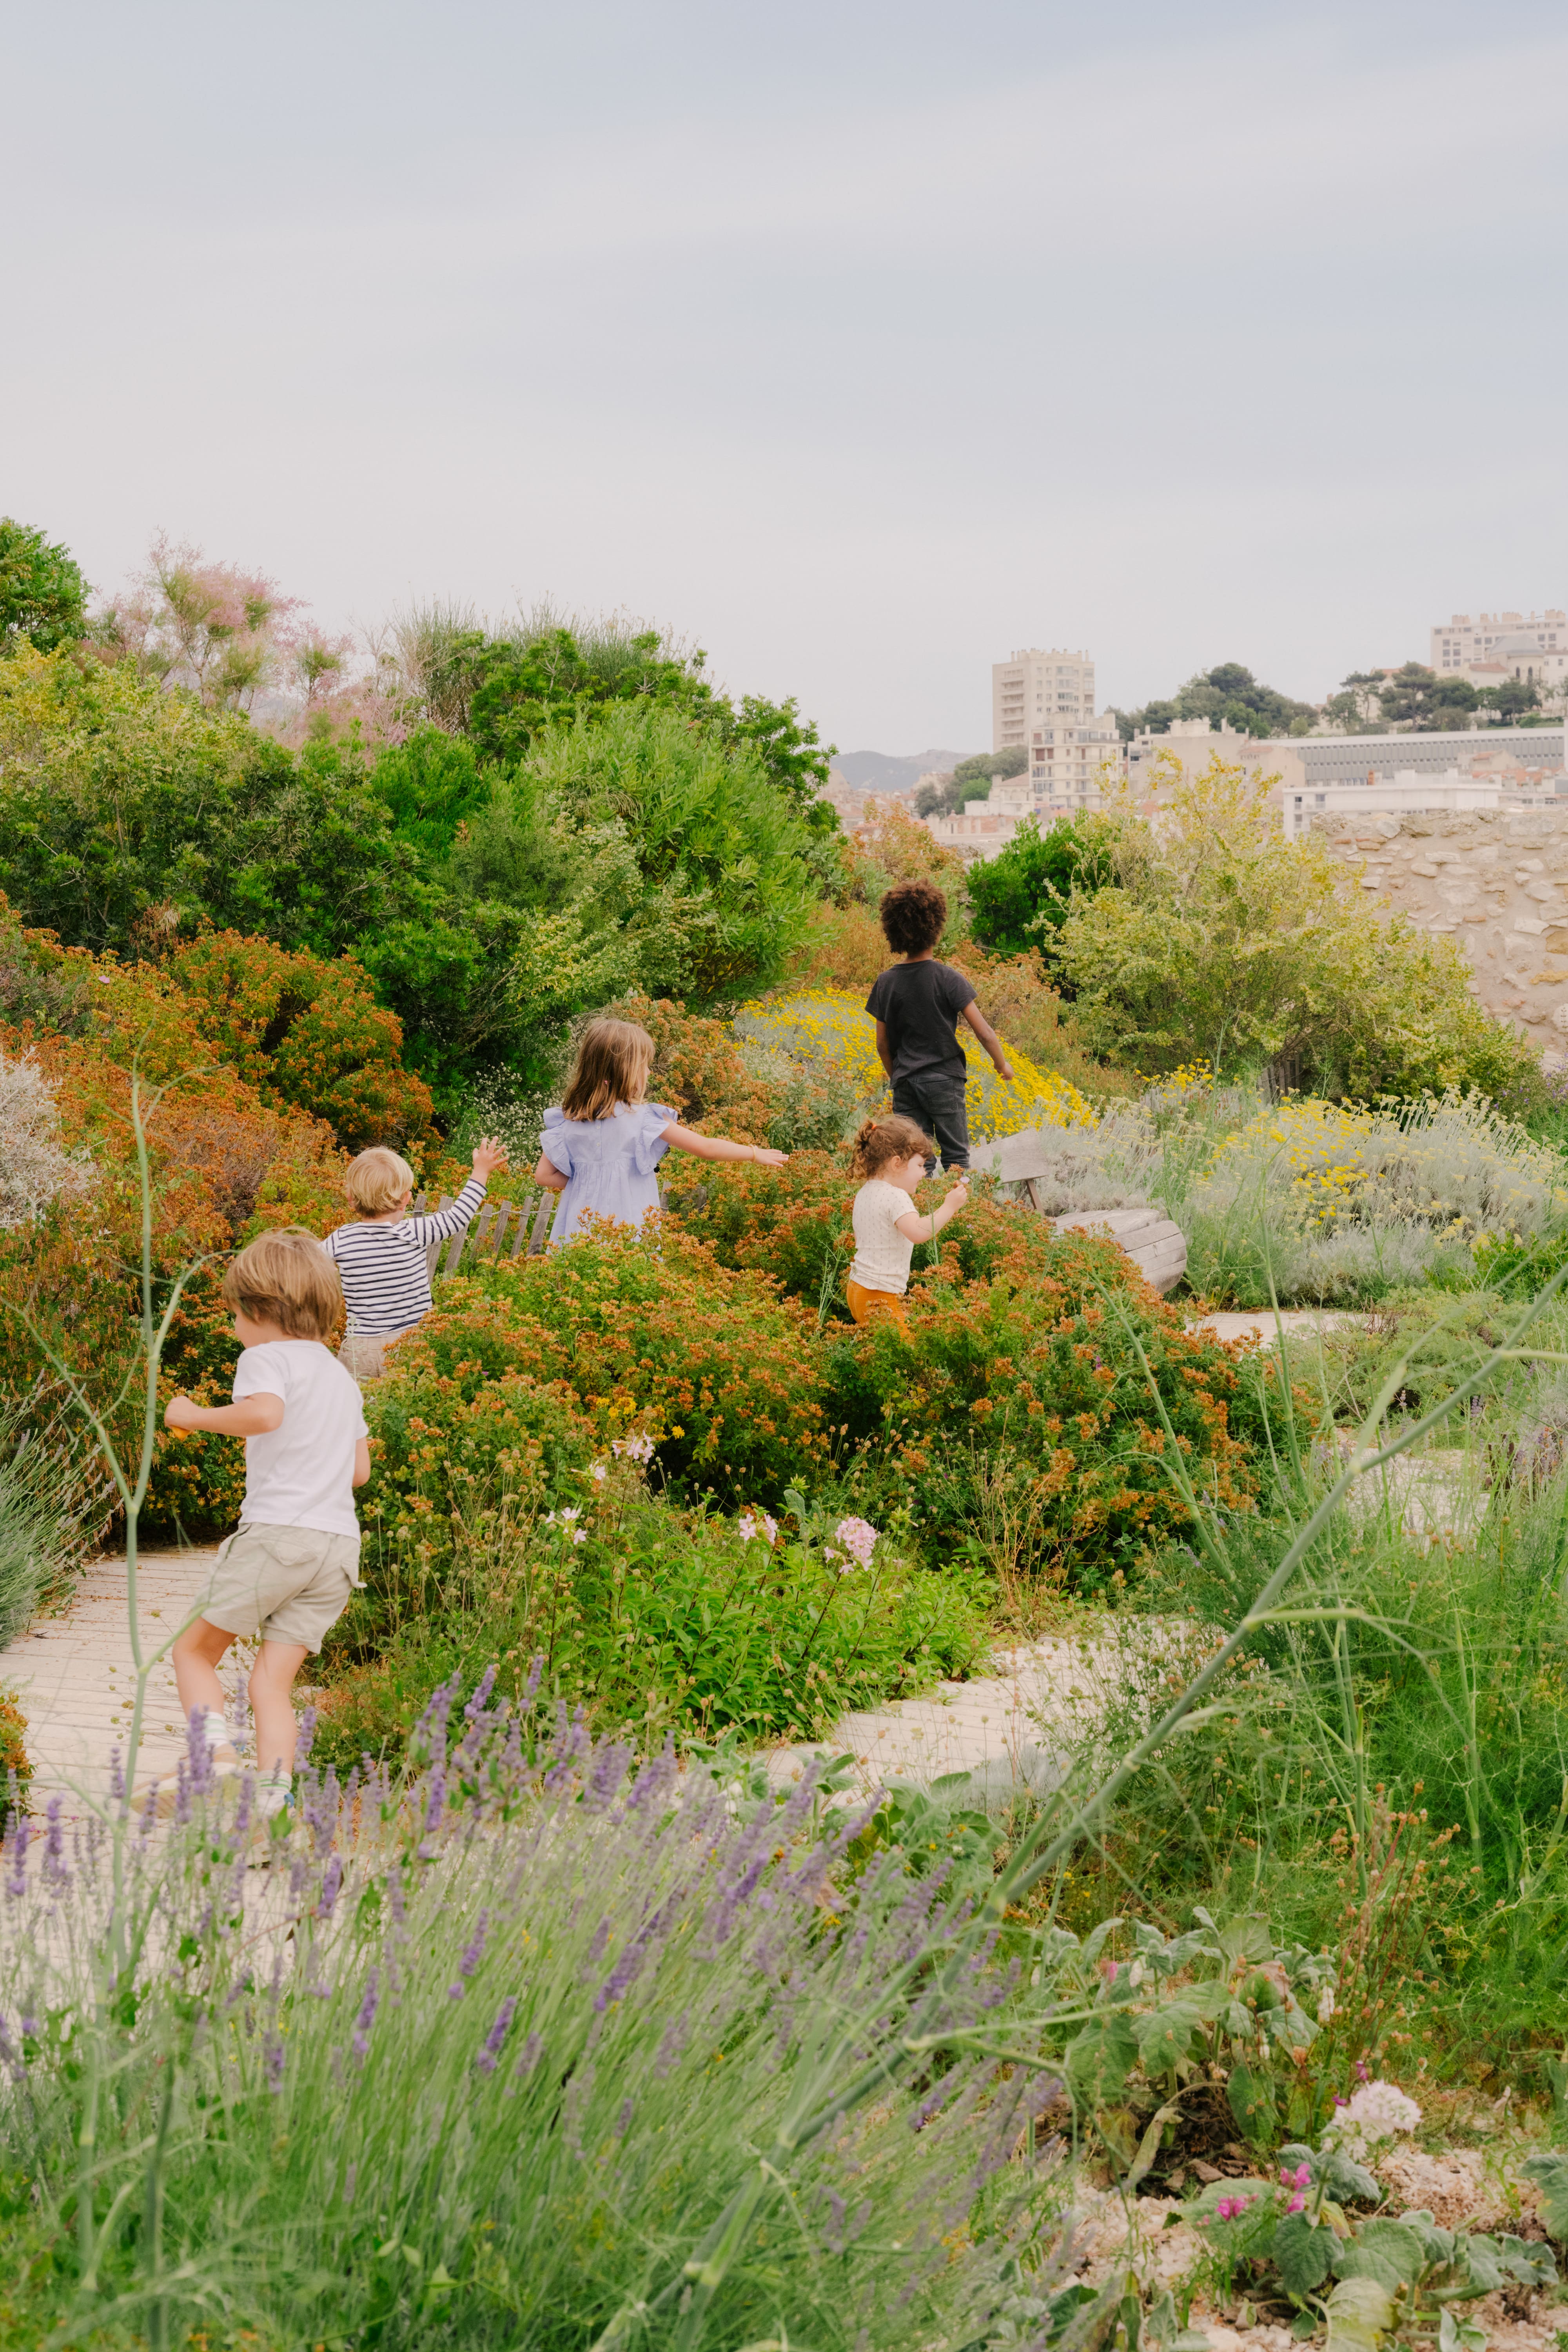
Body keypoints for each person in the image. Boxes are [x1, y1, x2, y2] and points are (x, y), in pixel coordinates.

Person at [145, 1229, 371, 1822]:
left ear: (261, 1310)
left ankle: (213, 1758)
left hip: (280, 1535)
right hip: (337, 1549)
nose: (234, 1329)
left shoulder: (264, 1357)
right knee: (272, 1686)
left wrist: (192, 1416)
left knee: (194, 1652)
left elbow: (264, 1414)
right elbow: (358, 1472)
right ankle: (272, 1806)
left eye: (235, 1316)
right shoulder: (341, 1377)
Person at [535, 1017, 787, 1244]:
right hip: (628, 1228)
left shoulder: (569, 1120)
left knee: (577, 1288)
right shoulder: (643, 1119)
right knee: (628, 1287)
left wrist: (588, 1181)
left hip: (579, 1229)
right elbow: (706, 1148)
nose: (647, 1072)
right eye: (643, 1065)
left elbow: (544, 1176)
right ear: (622, 1071)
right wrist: (754, 1153)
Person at [323, 1137, 508, 1380]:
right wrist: (481, 1171)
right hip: (413, 1343)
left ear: (351, 1199)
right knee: (411, 1408)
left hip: (360, 1348)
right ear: (406, 1199)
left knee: (358, 1413)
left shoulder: (340, 1239)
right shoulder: (414, 1232)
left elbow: (304, 1265)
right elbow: (458, 1217)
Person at [865, 879, 1013, 1175]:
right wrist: (1002, 1065)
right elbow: (985, 1032)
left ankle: (921, 1216)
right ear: (936, 929)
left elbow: (883, 1046)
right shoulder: (949, 978)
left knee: (918, 1161)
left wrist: (900, 1078)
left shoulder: (886, 982)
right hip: (945, 1081)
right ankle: (962, 1217)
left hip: (906, 1082)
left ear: (895, 931)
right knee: (957, 1157)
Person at [846, 1113, 971, 1335]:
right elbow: (918, 1233)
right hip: (880, 1295)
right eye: (921, 1165)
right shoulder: (896, 1196)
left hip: (858, 1289)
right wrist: (949, 1207)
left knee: (880, 1356)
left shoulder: (866, 1192)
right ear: (897, 1164)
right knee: (907, 1358)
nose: (924, 1173)